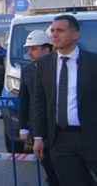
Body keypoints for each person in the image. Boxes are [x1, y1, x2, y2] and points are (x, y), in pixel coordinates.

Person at [32, 15, 97, 185]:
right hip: (60, 139)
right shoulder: (44, 63)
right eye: (52, 31)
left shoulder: (93, 62)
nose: (54, 35)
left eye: (60, 30)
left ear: (75, 35)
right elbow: (38, 101)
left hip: (91, 135)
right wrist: (38, 136)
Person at [16, 30, 59, 186]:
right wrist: (23, 128)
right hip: (38, 129)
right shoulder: (27, 70)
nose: (29, 53)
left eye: (33, 49)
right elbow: (23, 100)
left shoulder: (59, 67)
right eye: (28, 49)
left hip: (60, 128)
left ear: (46, 49)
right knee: (48, 166)